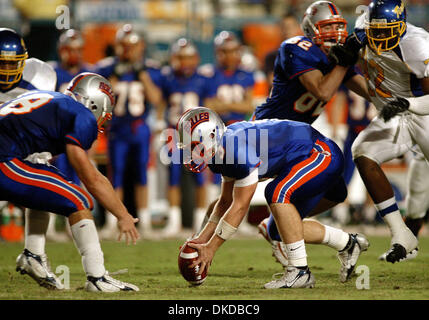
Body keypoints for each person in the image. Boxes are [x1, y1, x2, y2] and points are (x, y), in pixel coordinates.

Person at [176, 107, 368, 288]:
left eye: (194, 146)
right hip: (307, 161)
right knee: (277, 230)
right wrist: (201, 240)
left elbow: (240, 206)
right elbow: (225, 202)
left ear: (211, 137)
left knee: (276, 193)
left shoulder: (235, 148)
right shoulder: (220, 152)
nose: (191, 153)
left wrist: (212, 248)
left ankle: (300, 272)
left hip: (320, 154)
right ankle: (348, 243)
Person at [4, 72, 140, 292]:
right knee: (78, 199)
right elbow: (91, 177)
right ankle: (97, 278)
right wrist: (123, 215)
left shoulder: (54, 100)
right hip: (3, 160)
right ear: (94, 103)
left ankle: (33, 255)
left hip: (9, 155)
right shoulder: (82, 115)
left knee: (46, 180)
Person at [334, 0, 428, 262]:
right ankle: (402, 235)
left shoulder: (417, 43)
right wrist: (346, 57)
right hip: (394, 114)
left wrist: (406, 103)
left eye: (387, 31)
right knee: (363, 152)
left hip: (423, 111)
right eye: (375, 30)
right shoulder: (363, 29)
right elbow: (355, 65)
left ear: (402, 26)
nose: (379, 37)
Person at [96, 24, 163, 238]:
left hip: (140, 128)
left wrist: (142, 75)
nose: (128, 51)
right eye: (124, 46)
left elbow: (155, 98)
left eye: (131, 46)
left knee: (142, 176)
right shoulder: (108, 68)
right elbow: (99, 97)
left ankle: (144, 222)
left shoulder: (149, 68)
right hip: (116, 128)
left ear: (140, 47)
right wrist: (116, 75)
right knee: (115, 175)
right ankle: (112, 220)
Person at [158, 38, 211, 235]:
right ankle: (174, 220)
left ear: (195, 58)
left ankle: (200, 220)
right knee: (173, 177)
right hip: (173, 131)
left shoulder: (203, 79)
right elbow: (160, 103)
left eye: (188, 58)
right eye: (180, 58)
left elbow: (211, 106)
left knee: (200, 177)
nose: (184, 62)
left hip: (197, 134)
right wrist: (158, 126)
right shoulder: (168, 78)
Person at [47, 29, 95, 241]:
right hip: (54, 135)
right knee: (49, 179)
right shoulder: (51, 72)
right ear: (61, 50)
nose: (73, 54)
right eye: (69, 49)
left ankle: (74, 227)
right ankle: (48, 228)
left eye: (77, 49)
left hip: (76, 136)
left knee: (77, 181)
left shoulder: (89, 74)